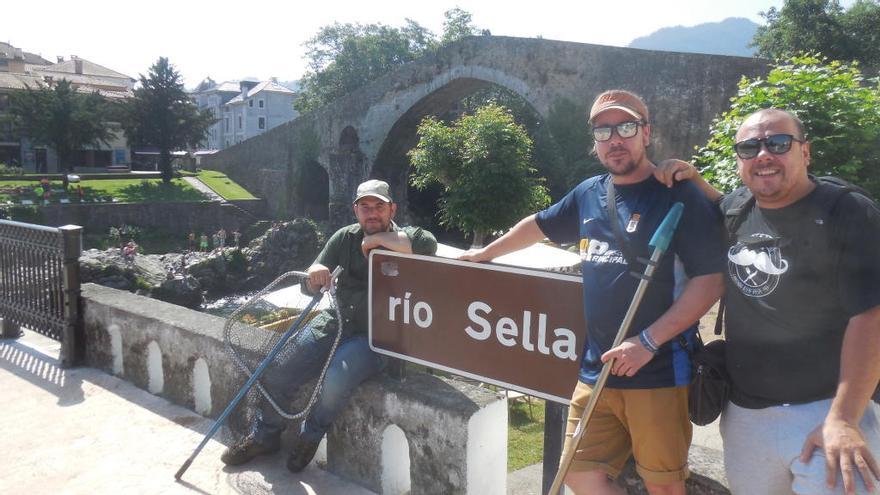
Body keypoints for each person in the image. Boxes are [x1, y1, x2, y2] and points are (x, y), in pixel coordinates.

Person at [459, 89, 725, 495]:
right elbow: (539, 224)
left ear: (646, 132)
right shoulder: (589, 193)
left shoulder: (679, 194)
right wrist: (486, 254)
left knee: (665, 487)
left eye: (626, 127)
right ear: (595, 141)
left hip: (658, 370)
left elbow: (711, 280)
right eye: (604, 130)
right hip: (596, 370)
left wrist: (648, 341)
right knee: (578, 473)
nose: (615, 139)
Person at [655, 108, 880, 495]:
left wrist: (844, 418)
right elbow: (720, 200)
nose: (763, 154)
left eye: (778, 143)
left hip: (824, 411)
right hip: (746, 415)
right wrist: (692, 176)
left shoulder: (847, 212)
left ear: (805, 152)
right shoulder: (738, 209)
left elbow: (871, 315)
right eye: (749, 147)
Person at [220, 179, 437, 472]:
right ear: (355, 210)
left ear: (392, 209)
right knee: (278, 368)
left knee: (335, 379)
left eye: (379, 207)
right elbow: (311, 280)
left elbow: (427, 246)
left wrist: (376, 242)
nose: (372, 213)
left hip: (377, 337)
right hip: (333, 322)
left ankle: (310, 436)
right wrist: (315, 273)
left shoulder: (410, 236)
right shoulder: (343, 237)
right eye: (365, 207)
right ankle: (264, 436)